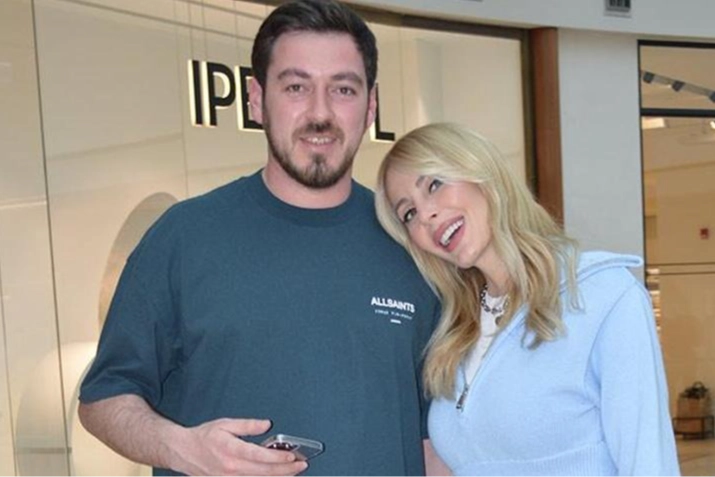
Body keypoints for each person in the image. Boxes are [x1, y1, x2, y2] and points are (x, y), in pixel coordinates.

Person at [78, 1, 441, 476]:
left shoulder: (412, 247)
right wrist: (180, 447)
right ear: (256, 99)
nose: (320, 113)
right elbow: (102, 399)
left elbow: (434, 437)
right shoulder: (183, 238)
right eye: (296, 87)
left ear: (370, 105)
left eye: (343, 89)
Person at [374, 122, 681, 477]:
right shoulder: (453, 333)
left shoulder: (603, 295)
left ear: (480, 171)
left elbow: (648, 463)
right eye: (408, 213)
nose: (426, 215)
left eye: (434, 184)